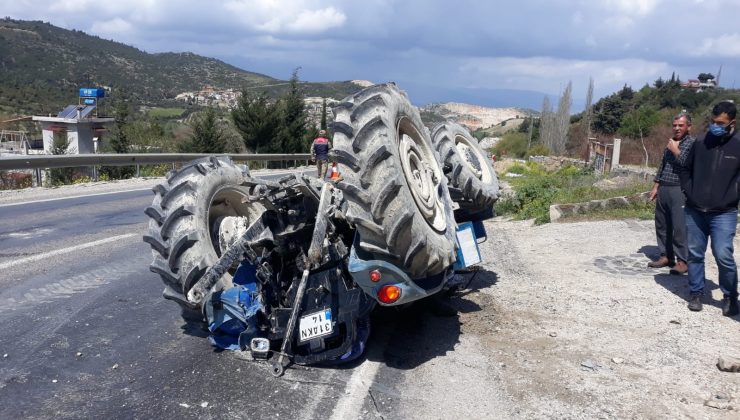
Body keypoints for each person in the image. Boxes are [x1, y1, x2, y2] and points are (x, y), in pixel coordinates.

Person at [672, 101, 739, 315]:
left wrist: (734, 195)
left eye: (721, 123)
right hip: (695, 210)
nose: (715, 125)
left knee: (723, 255)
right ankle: (696, 293)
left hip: (724, 212)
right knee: (694, 254)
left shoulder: (738, 144)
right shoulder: (700, 142)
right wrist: (688, 191)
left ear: (732, 123)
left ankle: (730, 296)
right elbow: (684, 167)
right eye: (713, 121)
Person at [647, 113, 695, 274]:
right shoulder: (671, 143)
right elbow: (662, 166)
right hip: (664, 188)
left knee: (679, 227)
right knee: (661, 224)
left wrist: (675, 151)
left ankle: (683, 260)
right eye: (674, 125)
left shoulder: (693, 144)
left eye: (681, 125)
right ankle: (666, 255)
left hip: (679, 188)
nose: (677, 128)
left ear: (689, 126)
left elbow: (688, 166)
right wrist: (655, 187)